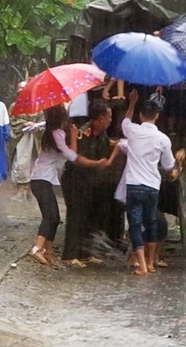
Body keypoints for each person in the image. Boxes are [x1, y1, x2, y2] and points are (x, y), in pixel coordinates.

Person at [28, 105, 109, 266]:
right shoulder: (57, 133)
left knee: (55, 218)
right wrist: (96, 162)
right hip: (41, 179)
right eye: (65, 117)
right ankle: (37, 248)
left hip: (43, 179)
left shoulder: (49, 130)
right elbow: (73, 156)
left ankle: (49, 252)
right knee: (50, 216)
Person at [121, 90, 181, 276]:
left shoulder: (132, 131)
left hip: (134, 184)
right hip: (152, 186)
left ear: (141, 115)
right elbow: (168, 165)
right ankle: (151, 261)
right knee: (152, 223)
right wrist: (179, 165)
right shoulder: (163, 139)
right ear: (157, 115)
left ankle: (142, 265)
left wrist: (131, 103)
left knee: (135, 225)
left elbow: (125, 121)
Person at [61, 101, 124, 264]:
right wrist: (97, 164)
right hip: (75, 179)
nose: (111, 120)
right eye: (109, 117)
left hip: (91, 181)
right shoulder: (82, 133)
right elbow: (77, 159)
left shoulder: (101, 133)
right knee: (76, 216)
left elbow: (105, 144)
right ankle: (70, 255)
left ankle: (85, 253)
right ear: (101, 119)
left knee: (88, 215)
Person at [9, 81, 43, 201]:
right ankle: (19, 191)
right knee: (20, 164)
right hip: (21, 139)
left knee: (34, 165)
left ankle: (30, 191)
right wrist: (25, 124)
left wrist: (36, 126)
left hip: (34, 140)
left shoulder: (37, 106)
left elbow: (42, 121)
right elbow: (13, 122)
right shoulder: (14, 106)